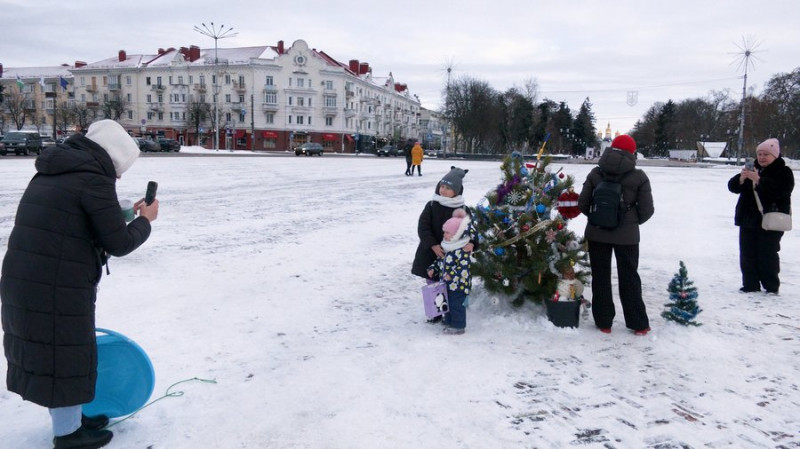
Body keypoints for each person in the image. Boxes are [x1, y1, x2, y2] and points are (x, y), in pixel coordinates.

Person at [1, 119, 159, 449]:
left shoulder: (56, 169)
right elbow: (118, 243)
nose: (118, 177)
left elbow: (75, 217)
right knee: (67, 356)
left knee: (56, 355)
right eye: (119, 168)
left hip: (28, 277)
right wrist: (145, 221)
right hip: (57, 283)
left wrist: (124, 212)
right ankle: (69, 436)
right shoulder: (94, 180)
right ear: (111, 156)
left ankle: (72, 420)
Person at [578, 134, 654, 335]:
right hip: (627, 237)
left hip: (597, 233)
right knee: (629, 277)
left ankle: (604, 322)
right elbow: (647, 210)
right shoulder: (639, 176)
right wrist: (630, 220)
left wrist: (599, 218)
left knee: (600, 277)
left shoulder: (595, 173)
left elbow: (583, 204)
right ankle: (638, 324)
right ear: (632, 152)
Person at [727, 138, 794, 294]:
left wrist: (758, 180)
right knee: (747, 254)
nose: (762, 157)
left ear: (775, 156)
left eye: (766, 154)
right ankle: (750, 285)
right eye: (759, 154)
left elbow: (780, 191)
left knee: (767, 254)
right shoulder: (753, 169)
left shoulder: (783, 172)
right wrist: (742, 179)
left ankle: (770, 286)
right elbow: (732, 187)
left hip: (771, 218)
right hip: (748, 219)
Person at [412, 168, 478, 324]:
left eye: (448, 188)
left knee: (451, 284)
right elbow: (423, 226)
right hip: (432, 251)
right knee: (433, 281)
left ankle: (452, 313)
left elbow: (472, 229)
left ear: (456, 190)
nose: (444, 190)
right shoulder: (432, 205)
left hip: (455, 257)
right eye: (442, 186)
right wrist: (433, 245)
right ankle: (435, 312)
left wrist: (472, 243)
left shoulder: (462, 209)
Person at [427, 209, 475, 334]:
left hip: (459, 285)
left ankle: (458, 326)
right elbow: (440, 261)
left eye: (447, 232)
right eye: (444, 232)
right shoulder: (448, 247)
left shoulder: (462, 250)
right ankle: (449, 320)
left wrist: (451, 275)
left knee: (456, 305)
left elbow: (463, 268)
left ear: (457, 235)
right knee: (447, 302)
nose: (444, 235)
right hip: (447, 284)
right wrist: (433, 268)